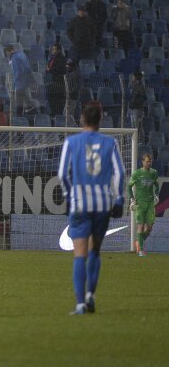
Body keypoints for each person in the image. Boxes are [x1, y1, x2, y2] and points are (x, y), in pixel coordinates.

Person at [58, 103, 125, 315]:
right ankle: (90, 296)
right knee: (95, 250)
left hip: (80, 204)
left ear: (82, 120)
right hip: (102, 204)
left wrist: (69, 196)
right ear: (100, 120)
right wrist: (120, 200)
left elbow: (62, 174)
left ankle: (79, 305)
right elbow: (120, 173)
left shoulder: (72, 142)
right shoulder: (110, 142)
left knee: (80, 254)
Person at [129, 153, 158, 257]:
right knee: (140, 226)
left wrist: (157, 195)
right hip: (140, 203)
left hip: (150, 203)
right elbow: (129, 187)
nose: (149, 163)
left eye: (150, 161)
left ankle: (138, 241)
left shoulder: (154, 172)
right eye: (147, 161)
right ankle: (140, 250)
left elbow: (157, 185)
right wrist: (132, 199)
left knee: (149, 228)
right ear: (142, 162)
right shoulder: (136, 173)